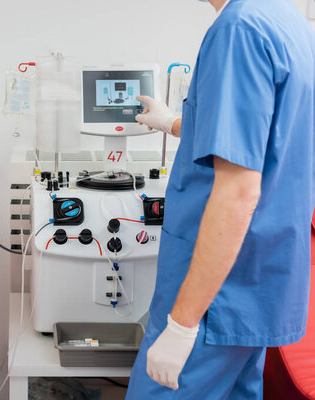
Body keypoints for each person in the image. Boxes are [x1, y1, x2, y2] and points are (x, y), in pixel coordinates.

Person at [125, 0, 315, 398]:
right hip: (256, 285)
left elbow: (238, 192)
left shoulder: (239, 29)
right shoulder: (286, 20)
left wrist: (182, 325)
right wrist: (174, 123)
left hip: (215, 301)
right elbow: (262, 139)